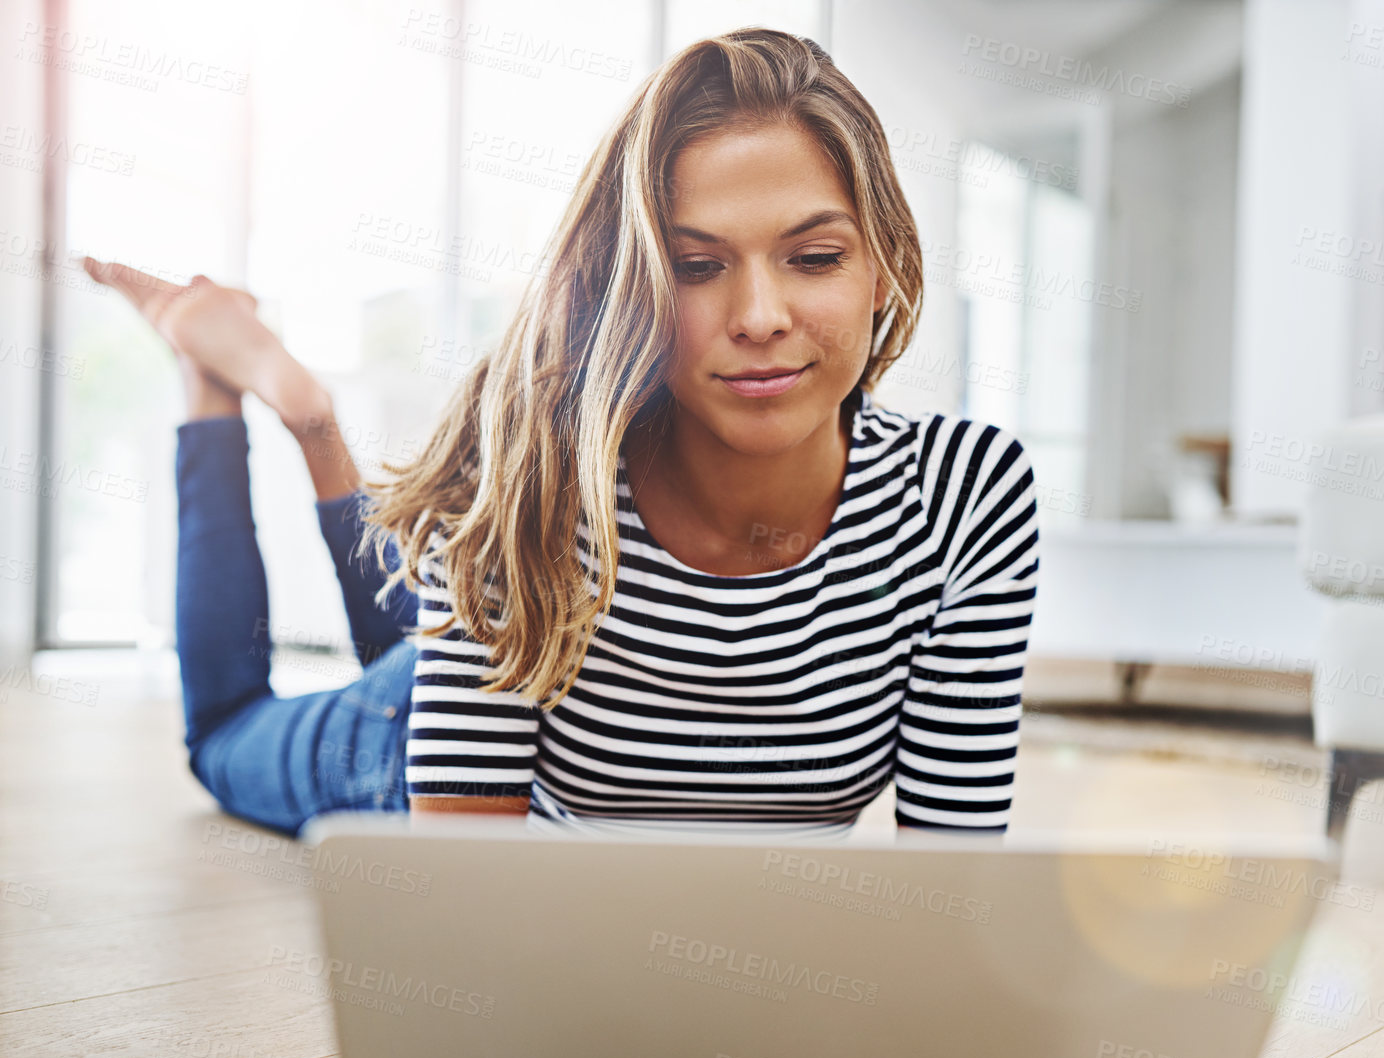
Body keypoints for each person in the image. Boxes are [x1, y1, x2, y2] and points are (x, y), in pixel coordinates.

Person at [85, 28, 1040, 839]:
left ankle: (313, 428)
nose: (759, 316)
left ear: (884, 267)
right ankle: (260, 397)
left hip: (510, 636)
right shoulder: (524, 485)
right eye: (698, 266)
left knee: (416, 601)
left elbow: (946, 893)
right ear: (637, 289)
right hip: (416, 733)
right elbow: (472, 924)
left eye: (815, 256)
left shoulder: (965, 497)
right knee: (224, 734)